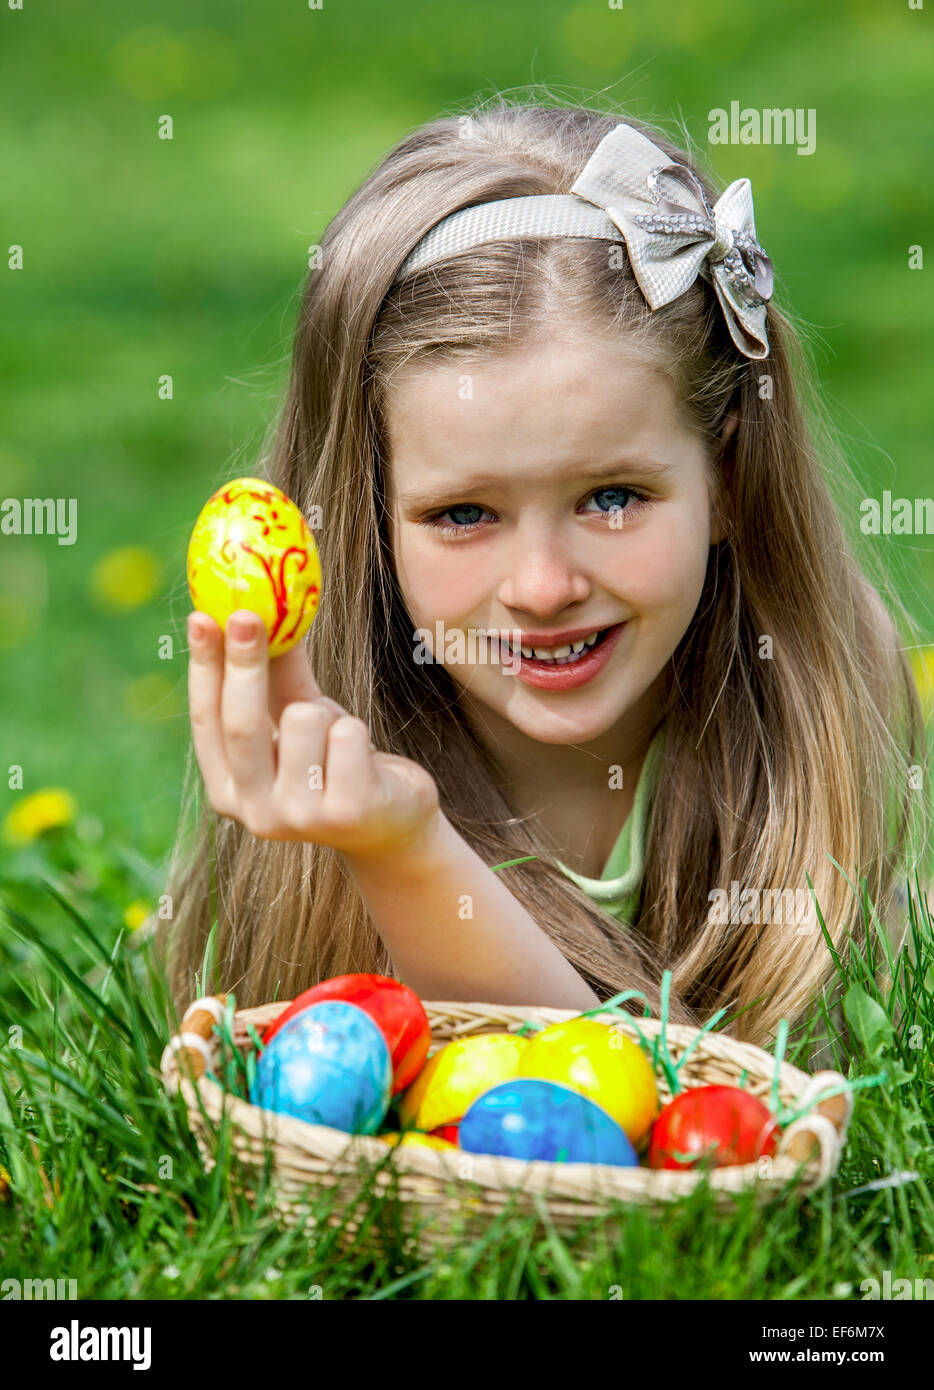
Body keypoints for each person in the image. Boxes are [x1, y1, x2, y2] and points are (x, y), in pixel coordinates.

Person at [156, 99, 928, 1058]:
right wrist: (400, 850)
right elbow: (521, 1114)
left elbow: (692, 1127)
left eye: (612, 497)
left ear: (728, 481)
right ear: (368, 517)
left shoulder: (820, 685)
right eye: (464, 515)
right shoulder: (331, 766)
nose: (543, 585)